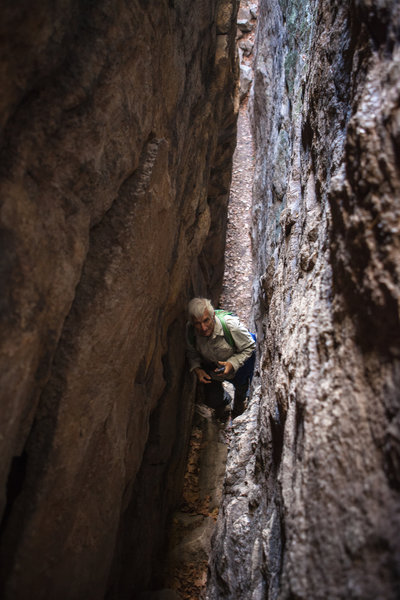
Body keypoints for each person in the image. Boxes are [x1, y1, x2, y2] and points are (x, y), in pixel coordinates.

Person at [186, 297, 256, 419]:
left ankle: (239, 404)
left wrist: (232, 363)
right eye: (197, 323)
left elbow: (251, 346)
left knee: (241, 388)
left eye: (206, 320)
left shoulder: (231, 327)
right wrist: (197, 369)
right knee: (212, 399)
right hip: (214, 369)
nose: (203, 328)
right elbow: (191, 352)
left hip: (239, 369)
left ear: (213, 316)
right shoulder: (190, 331)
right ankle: (224, 402)